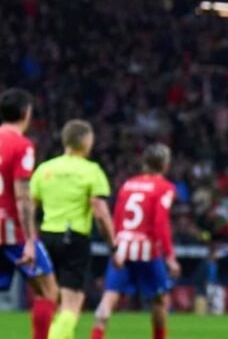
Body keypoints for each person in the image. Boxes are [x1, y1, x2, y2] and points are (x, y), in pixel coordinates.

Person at [30, 120, 115, 339]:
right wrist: (112, 243)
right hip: (74, 238)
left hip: (46, 237)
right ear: (87, 141)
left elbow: (29, 206)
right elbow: (100, 212)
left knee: (45, 296)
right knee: (71, 303)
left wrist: (30, 238)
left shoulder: (45, 169)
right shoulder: (91, 170)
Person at [91, 143, 180, 339]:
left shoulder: (128, 185)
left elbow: (117, 217)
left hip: (122, 248)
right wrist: (170, 256)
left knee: (108, 298)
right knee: (159, 300)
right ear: (165, 164)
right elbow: (160, 223)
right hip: (148, 250)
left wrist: (115, 247)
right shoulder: (165, 187)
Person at [0, 88, 58, 339]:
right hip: (12, 231)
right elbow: (22, 196)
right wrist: (30, 242)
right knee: (48, 292)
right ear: (26, 113)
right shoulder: (22, 145)